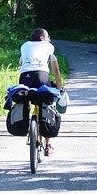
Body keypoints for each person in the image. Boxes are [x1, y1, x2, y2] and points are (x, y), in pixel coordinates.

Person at [19, 28, 63, 156]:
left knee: (26, 98)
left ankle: (28, 125)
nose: (49, 39)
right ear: (42, 38)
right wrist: (59, 86)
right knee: (47, 102)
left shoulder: (24, 46)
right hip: (41, 76)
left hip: (24, 77)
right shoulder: (48, 46)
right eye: (48, 36)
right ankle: (48, 145)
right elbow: (56, 69)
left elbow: (22, 64)